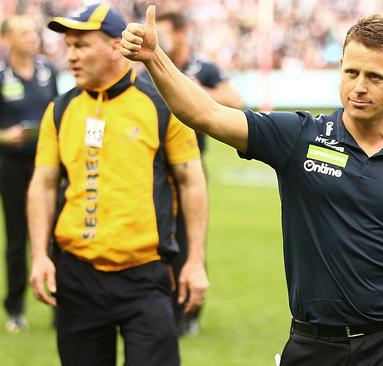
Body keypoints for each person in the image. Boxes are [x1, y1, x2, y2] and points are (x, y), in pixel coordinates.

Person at [123, 6, 383, 365]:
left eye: (375, 77)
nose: (359, 87)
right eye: (351, 72)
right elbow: (205, 114)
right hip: (314, 344)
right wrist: (154, 58)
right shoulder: (299, 137)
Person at [27, 4, 208, 366]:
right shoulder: (60, 110)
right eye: (68, 47)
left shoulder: (161, 105)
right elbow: (43, 184)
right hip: (77, 275)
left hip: (146, 275)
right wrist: (39, 256)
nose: (71, 56)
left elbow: (192, 182)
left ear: (114, 46)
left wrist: (195, 262)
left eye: (81, 45)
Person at [142, 10, 243, 336]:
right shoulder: (152, 65)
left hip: (190, 166)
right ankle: (157, 308)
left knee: (189, 241)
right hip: (155, 167)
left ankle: (190, 313)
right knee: (155, 241)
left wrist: (194, 94)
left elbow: (234, 100)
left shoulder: (202, 68)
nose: (161, 38)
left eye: (167, 33)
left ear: (183, 34)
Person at [0, 14, 58, 333]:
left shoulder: (47, 72)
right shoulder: (1, 75)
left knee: (56, 234)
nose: (31, 38)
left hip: (47, 163)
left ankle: (60, 303)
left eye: (33, 33)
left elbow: (57, 111)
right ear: (7, 40)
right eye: (23, 33)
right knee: (17, 237)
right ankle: (15, 308)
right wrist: (4, 136)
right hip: (11, 165)